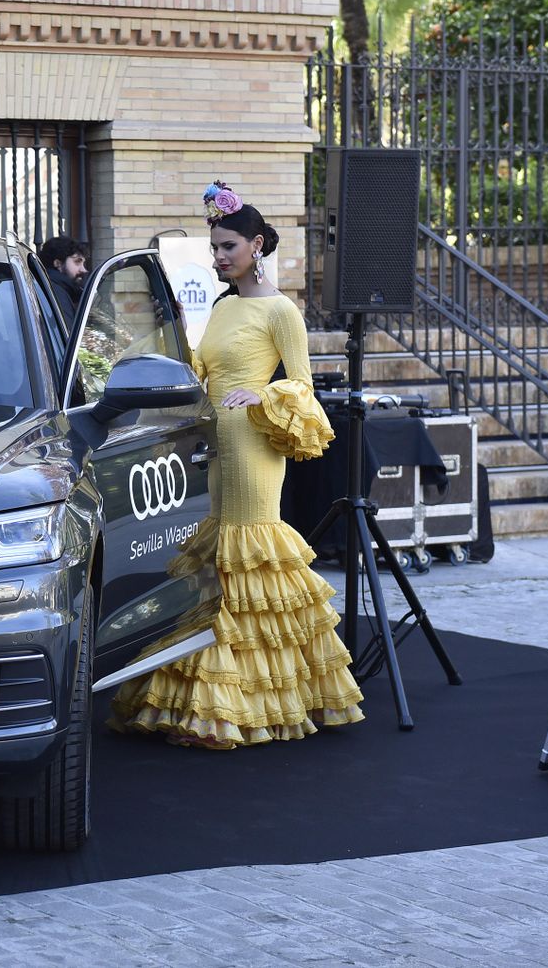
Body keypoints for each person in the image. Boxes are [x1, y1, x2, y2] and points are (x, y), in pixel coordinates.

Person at [109, 181, 365, 748]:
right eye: (215, 248)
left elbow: (302, 385)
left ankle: (250, 703)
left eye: (228, 246)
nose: (219, 257)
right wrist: (171, 333)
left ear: (256, 245)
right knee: (217, 559)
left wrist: (263, 396)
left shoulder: (281, 311)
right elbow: (199, 368)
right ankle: (204, 694)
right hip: (212, 440)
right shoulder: (225, 306)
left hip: (253, 443)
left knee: (250, 557)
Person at [38, 235, 88, 327]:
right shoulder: (56, 293)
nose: (83, 270)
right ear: (58, 263)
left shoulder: (56, 288)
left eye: (83, 263)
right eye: (77, 262)